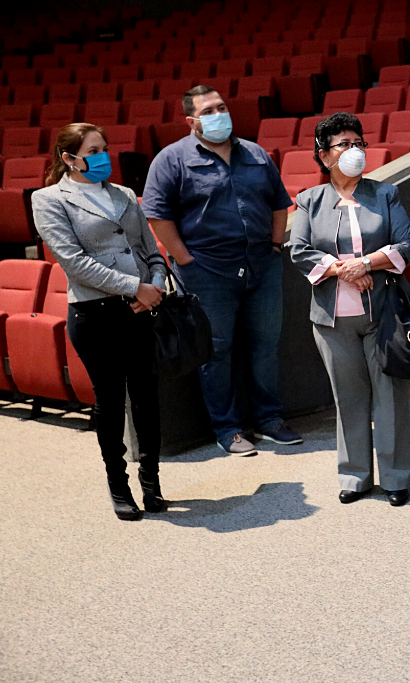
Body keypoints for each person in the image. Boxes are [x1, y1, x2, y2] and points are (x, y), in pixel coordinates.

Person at [142, 85, 302, 456]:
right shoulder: (171, 159)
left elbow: (280, 203)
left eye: (222, 106)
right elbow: (157, 214)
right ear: (192, 120)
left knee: (264, 346)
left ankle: (269, 419)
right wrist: (184, 259)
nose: (219, 114)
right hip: (206, 272)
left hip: (261, 266)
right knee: (216, 350)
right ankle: (227, 428)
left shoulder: (256, 153)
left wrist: (276, 245)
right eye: (209, 110)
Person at [31, 123, 168, 521]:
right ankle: (118, 485)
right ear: (68, 158)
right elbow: (74, 263)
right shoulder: (48, 199)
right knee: (110, 403)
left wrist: (155, 285)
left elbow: (150, 250)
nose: (102, 155)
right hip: (96, 315)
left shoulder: (124, 194)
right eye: (92, 150)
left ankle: (151, 481)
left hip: (141, 309)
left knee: (146, 398)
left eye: (104, 148)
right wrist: (134, 287)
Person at [289, 113, 410, 507]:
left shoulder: (385, 194)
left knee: (390, 396)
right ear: (324, 155)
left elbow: (404, 244)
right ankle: (355, 475)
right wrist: (343, 269)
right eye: (344, 144)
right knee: (348, 397)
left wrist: (367, 264)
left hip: (384, 315)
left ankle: (396, 478)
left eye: (359, 142)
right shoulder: (309, 200)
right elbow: (298, 250)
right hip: (332, 318)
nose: (355, 150)